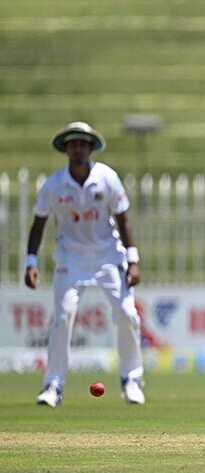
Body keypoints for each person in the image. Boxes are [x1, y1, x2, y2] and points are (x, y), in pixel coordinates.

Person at [26, 122, 145, 408]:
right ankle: (53, 385)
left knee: (127, 313)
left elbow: (123, 219)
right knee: (63, 316)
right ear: (66, 149)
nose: (78, 148)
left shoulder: (107, 178)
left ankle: (132, 380)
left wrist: (133, 259)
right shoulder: (54, 185)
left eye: (83, 143)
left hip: (108, 257)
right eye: (73, 144)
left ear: (90, 148)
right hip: (70, 258)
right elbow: (38, 224)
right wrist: (31, 261)